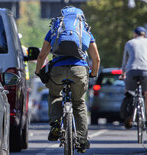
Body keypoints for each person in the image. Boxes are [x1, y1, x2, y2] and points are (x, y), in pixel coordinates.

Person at [35, 7, 100, 153]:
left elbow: (41, 56)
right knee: (79, 103)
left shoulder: (55, 29)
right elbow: (96, 58)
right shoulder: (85, 31)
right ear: (81, 18)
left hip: (57, 70)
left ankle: (55, 124)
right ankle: (82, 140)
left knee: (54, 95)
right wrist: (93, 74)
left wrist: (38, 71)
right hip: (79, 71)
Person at [120, 26, 147, 129]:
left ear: (135, 34)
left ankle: (129, 115)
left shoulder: (129, 43)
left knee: (129, 91)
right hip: (145, 72)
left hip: (131, 72)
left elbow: (125, 61)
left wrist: (123, 74)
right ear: (145, 34)